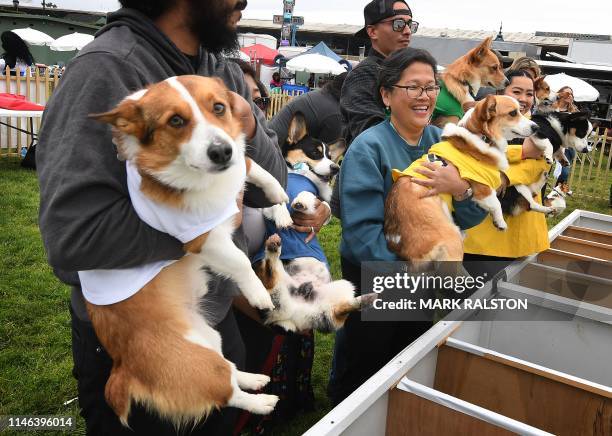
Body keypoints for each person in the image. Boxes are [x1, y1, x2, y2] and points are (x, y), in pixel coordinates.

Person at [36, 1, 287, 435]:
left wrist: (243, 124)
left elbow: (272, 183)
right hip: (143, 342)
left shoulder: (221, 70)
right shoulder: (107, 70)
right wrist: (197, 234)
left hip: (214, 314)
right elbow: (73, 237)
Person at [328, 48, 487, 405]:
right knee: (365, 360)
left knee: (408, 354)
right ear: (386, 95)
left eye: (430, 87)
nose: (425, 96)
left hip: (422, 278)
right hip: (378, 276)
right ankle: (344, 413)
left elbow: (472, 215)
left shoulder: (443, 145)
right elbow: (361, 233)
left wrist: (459, 189)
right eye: (413, 87)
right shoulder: (369, 149)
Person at [331, 0, 418, 217]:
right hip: (369, 187)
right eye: (398, 24)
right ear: (372, 31)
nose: (407, 31)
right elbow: (369, 134)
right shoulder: (364, 74)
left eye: (410, 24)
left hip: (399, 181)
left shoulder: (403, 72)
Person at [463, 70, 551, 278]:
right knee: (474, 295)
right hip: (483, 229)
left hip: (521, 226)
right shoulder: (481, 122)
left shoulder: (538, 125)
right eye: (517, 91)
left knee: (511, 288)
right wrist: (521, 151)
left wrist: (505, 176)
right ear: (502, 92)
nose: (523, 99)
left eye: (529, 93)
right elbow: (471, 156)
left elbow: (539, 166)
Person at [270, 72, 347, 147]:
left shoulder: (321, 94)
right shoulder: (334, 114)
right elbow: (326, 155)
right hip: (277, 148)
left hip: (270, 136)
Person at [554, 86, 579, 192]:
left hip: (566, 146)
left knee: (564, 172)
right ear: (560, 94)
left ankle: (556, 193)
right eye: (567, 93)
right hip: (551, 142)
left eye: (571, 94)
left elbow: (578, 128)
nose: (569, 95)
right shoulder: (551, 107)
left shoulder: (574, 111)